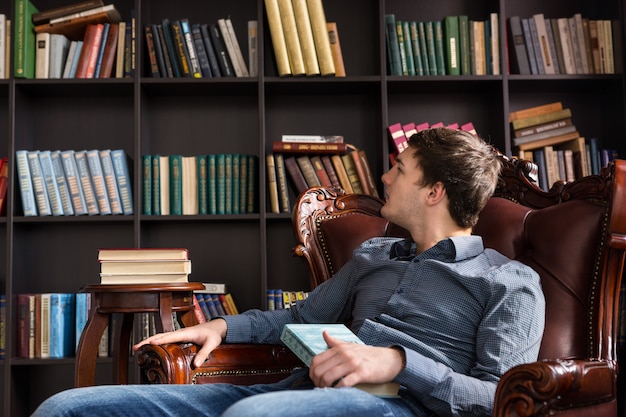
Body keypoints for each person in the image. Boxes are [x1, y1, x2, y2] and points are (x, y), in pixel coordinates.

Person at [33, 127, 545, 417]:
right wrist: (221, 326)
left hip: (399, 409)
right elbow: (300, 317)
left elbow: (501, 396)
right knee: (65, 409)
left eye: (400, 170)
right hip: (297, 390)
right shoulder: (374, 254)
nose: (384, 176)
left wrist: (396, 362)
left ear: (434, 192)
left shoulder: (509, 283)